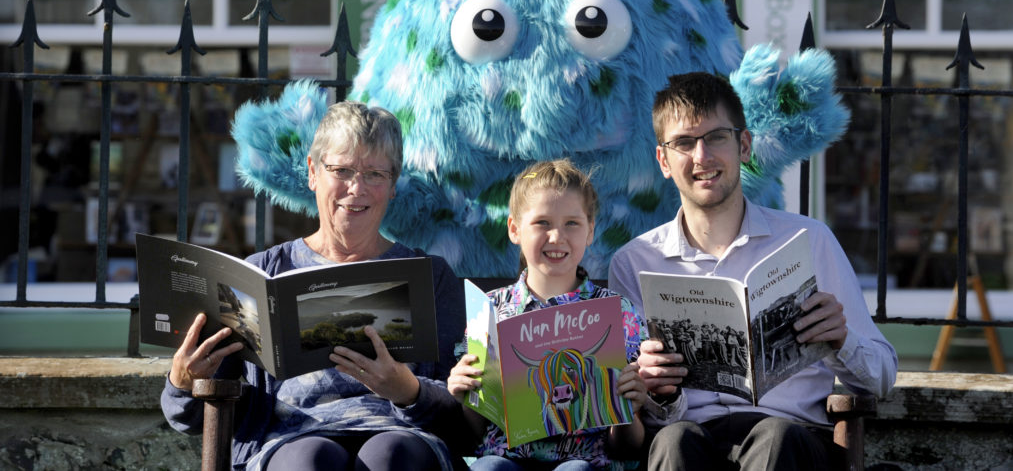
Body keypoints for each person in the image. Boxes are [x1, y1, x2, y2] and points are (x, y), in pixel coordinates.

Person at [607, 72, 897, 471]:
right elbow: (637, 409)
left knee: (775, 436)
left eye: (716, 138)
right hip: (685, 438)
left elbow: (881, 378)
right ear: (664, 161)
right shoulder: (633, 262)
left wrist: (842, 339)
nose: (702, 157)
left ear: (743, 145)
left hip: (791, 443)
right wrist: (652, 386)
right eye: (684, 143)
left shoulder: (809, 240)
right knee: (674, 441)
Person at [161, 101, 468, 471]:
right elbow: (195, 414)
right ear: (312, 172)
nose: (357, 188)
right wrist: (182, 381)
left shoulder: (431, 277)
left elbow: (466, 415)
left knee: (389, 455)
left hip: (402, 435)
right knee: (312, 458)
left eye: (375, 174)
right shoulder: (262, 273)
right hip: (291, 439)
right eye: (342, 170)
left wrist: (410, 392)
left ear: (393, 185)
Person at [447, 159, 649, 471]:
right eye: (542, 223)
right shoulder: (488, 310)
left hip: (586, 462)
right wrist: (466, 396)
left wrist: (629, 408)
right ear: (514, 229)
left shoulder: (618, 313)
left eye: (572, 223)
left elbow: (629, 446)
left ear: (590, 231)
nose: (556, 237)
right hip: (504, 459)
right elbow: (473, 433)